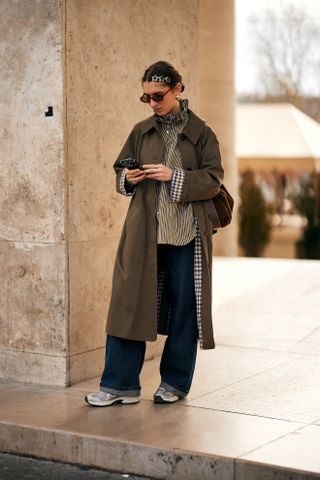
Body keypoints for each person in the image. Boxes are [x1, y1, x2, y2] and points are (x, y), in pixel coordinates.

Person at [86, 61, 224, 407]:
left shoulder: (203, 133)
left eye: (158, 96)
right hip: (145, 234)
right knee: (128, 304)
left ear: (179, 88)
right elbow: (121, 168)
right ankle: (119, 386)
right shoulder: (140, 130)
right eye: (146, 97)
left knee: (184, 311)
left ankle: (175, 384)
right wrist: (127, 179)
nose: (153, 103)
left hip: (186, 236)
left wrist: (172, 175)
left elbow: (213, 179)